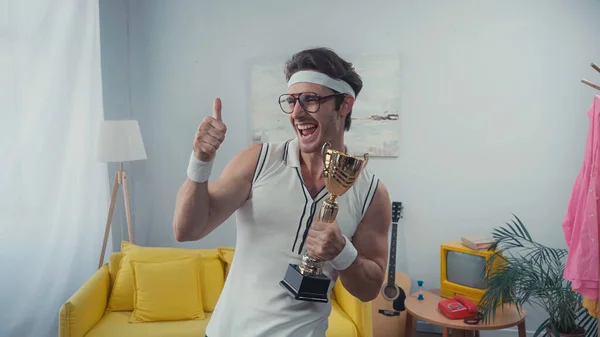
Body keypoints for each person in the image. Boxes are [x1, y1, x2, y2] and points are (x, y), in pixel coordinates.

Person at [173, 47, 392, 337]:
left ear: (345, 105)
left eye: (311, 100)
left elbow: (370, 289)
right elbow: (187, 230)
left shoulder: (371, 193)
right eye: (292, 101)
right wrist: (200, 159)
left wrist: (342, 253)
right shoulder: (257, 161)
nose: (297, 112)